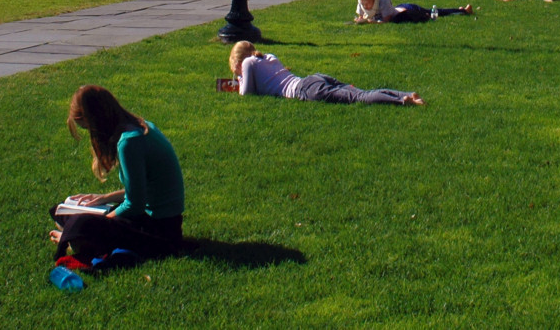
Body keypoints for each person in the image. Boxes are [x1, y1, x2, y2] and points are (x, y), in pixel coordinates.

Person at [50, 85, 184, 261]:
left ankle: (74, 239)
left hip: (158, 230)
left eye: (88, 128)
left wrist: (104, 219)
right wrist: (103, 198)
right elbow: (142, 191)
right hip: (154, 219)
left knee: (81, 223)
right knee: (59, 211)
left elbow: (135, 205)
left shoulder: (129, 142)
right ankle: (76, 235)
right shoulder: (139, 128)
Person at [228, 41, 424, 105]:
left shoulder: (248, 63)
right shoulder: (268, 56)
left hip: (304, 90)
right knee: (359, 92)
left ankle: (402, 101)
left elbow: (247, 94)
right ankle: (405, 94)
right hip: (313, 78)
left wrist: (240, 78)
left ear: (237, 61)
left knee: (358, 98)